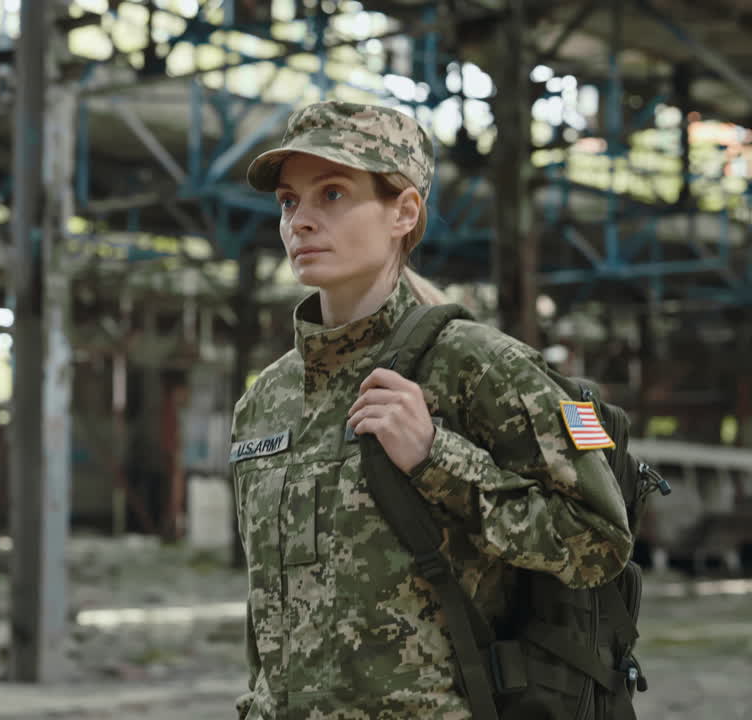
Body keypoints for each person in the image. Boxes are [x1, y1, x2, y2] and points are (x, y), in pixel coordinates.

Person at [229, 101, 632, 719]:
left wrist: (436, 458)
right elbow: (266, 612)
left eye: (332, 194)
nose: (300, 221)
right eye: (288, 201)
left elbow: (598, 542)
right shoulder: (265, 401)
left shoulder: (478, 365)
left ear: (405, 212)